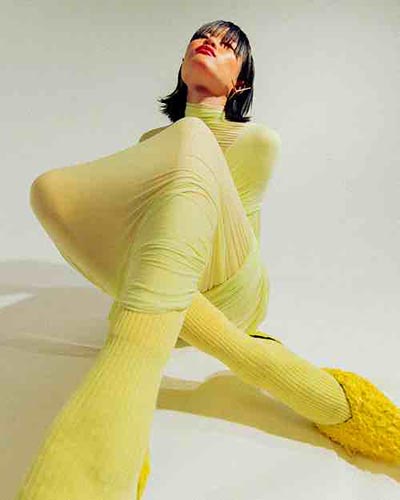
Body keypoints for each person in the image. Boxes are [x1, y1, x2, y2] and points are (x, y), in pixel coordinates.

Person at [15, 19, 399, 500]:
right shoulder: (153, 141)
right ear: (182, 65)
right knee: (49, 192)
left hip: (234, 286)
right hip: (169, 284)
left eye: (227, 45)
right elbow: (159, 233)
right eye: (201, 38)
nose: (209, 44)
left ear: (240, 84)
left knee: (192, 140)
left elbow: (205, 224)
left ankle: (131, 361)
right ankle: (274, 371)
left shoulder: (257, 142)